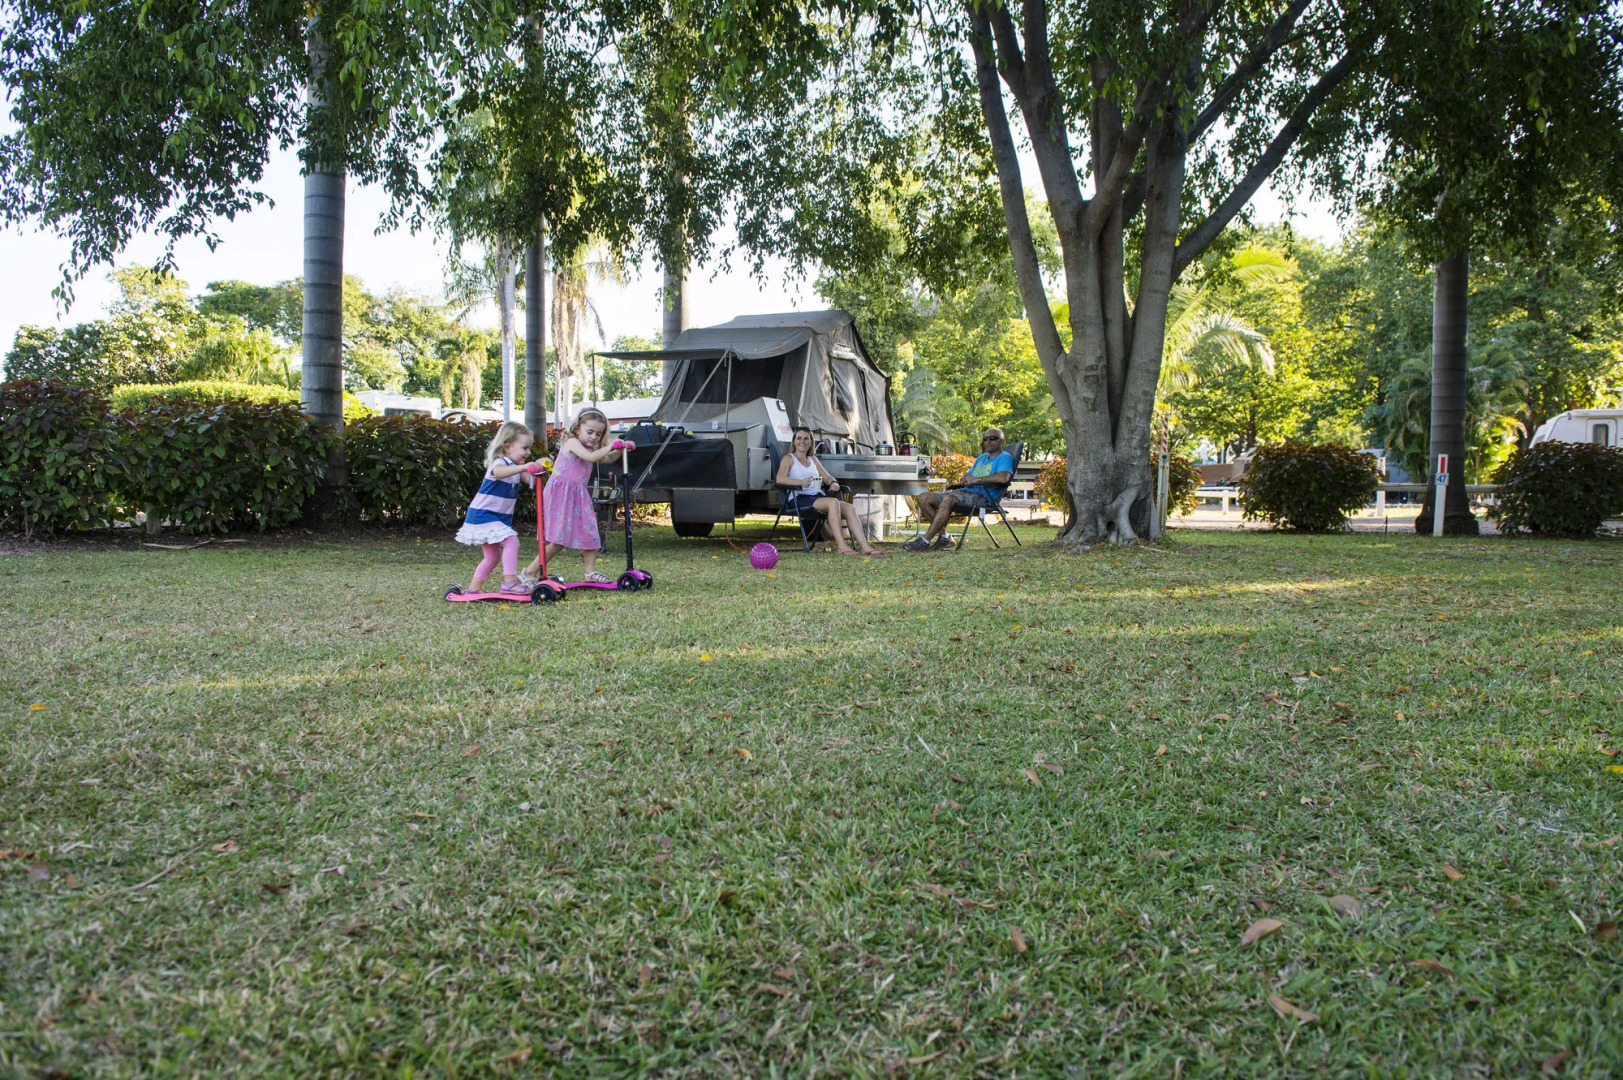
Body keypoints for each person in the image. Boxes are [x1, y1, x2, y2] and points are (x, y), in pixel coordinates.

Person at [522, 408, 628, 584]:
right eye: (590, 432)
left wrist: (620, 448)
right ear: (578, 429)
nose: (594, 437)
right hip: (561, 494)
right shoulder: (572, 443)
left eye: (599, 434)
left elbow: (607, 459)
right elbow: (591, 457)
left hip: (578, 494)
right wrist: (611, 445)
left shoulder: (590, 447)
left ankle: (590, 572)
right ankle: (529, 572)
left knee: (590, 531)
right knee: (558, 540)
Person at [455, 420, 540, 593]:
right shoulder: (499, 463)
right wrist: (524, 466)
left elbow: (531, 479)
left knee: (492, 557)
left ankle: (472, 590)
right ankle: (509, 583)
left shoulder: (516, 467)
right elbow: (499, 473)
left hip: (495, 518)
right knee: (511, 541)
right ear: (508, 447)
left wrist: (540, 467)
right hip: (483, 515)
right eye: (524, 448)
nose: (528, 452)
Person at [776, 427, 883, 556]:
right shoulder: (789, 458)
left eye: (806, 438)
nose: (802, 441)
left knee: (849, 508)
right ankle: (841, 546)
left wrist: (834, 483)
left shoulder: (813, 459)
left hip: (816, 496)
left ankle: (865, 547)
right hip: (798, 498)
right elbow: (780, 478)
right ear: (794, 441)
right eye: (799, 438)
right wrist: (800, 482)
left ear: (811, 442)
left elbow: (827, 477)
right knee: (833, 502)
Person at [904, 428, 1015, 550]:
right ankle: (945, 537)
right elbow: (968, 475)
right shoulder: (982, 458)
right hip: (964, 493)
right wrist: (964, 479)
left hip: (983, 498)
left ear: (1002, 441)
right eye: (985, 439)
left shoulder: (1005, 457)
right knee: (923, 498)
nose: (988, 441)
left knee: (948, 499)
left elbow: (1004, 477)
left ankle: (924, 541)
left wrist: (978, 480)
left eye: (992, 438)